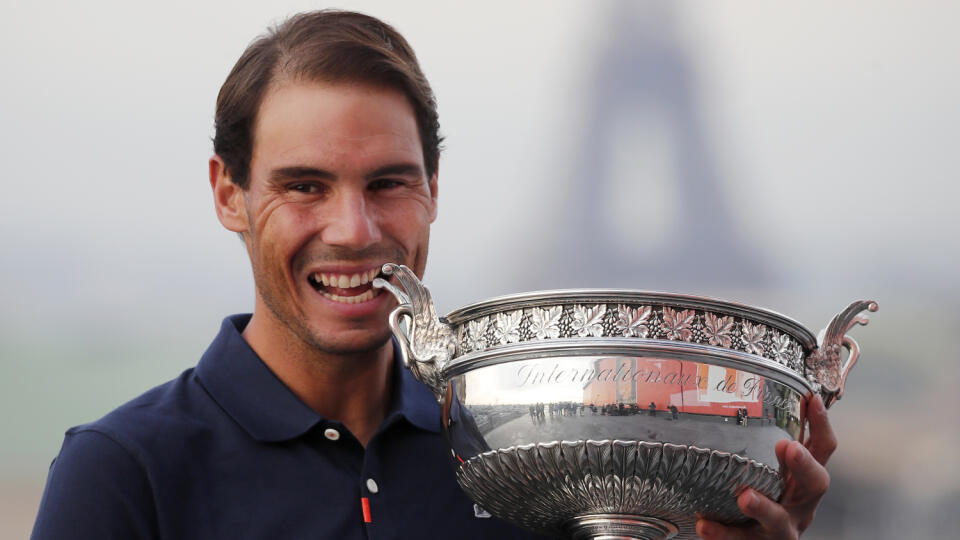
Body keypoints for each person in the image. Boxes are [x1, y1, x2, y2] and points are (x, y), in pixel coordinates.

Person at [31, 10, 837, 540]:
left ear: (434, 192)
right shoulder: (125, 476)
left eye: (387, 183)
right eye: (305, 185)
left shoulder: (533, 458)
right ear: (228, 194)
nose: (353, 231)